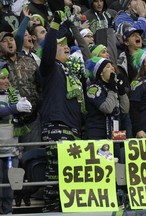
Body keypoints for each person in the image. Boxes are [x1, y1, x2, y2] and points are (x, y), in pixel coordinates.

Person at [39, 11, 85, 212]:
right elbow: (48, 48)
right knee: (56, 172)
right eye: (61, 44)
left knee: (72, 174)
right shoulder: (49, 68)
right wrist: (55, 24)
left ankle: (67, 210)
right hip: (56, 125)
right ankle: (50, 210)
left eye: (67, 43)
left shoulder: (72, 72)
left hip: (74, 129)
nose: (66, 46)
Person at [0, 62, 32, 214]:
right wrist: (15, 108)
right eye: (2, 77)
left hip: (11, 149)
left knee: (9, 185)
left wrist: (26, 108)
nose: (6, 81)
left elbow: (22, 115)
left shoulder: (13, 94)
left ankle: (7, 212)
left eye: (7, 77)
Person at [85, 56, 129, 139]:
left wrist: (122, 91)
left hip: (115, 133)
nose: (112, 68)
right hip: (98, 134)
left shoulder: (114, 88)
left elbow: (125, 110)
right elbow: (107, 108)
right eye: (108, 67)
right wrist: (112, 89)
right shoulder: (94, 88)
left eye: (112, 66)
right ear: (101, 72)